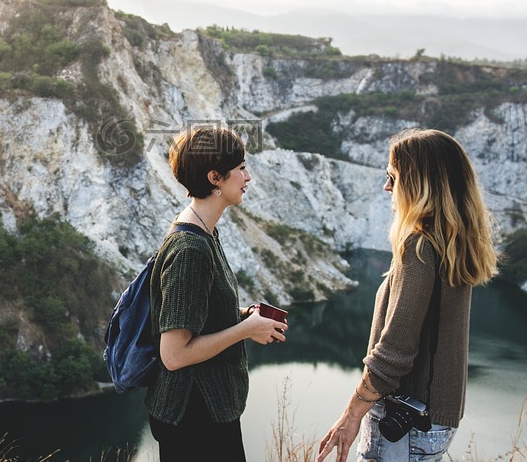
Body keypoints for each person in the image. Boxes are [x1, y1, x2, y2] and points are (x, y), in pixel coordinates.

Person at [317, 128, 499, 462]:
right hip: (435, 420)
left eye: (393, 177)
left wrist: (352, 413)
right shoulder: (453, 243)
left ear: (419, 184)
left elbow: (395, 351)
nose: (387, 187)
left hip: (403, 422)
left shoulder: (419, 246)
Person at [145, 124, 289, 462]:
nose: (248, 177)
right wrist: (245, 330)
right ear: (215, 178)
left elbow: (196, 319)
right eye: (240, 168)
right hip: (194, 417)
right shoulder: (191, 248)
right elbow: (174, 355)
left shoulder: (203, 232)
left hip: (206, 410)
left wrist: (242, 319)